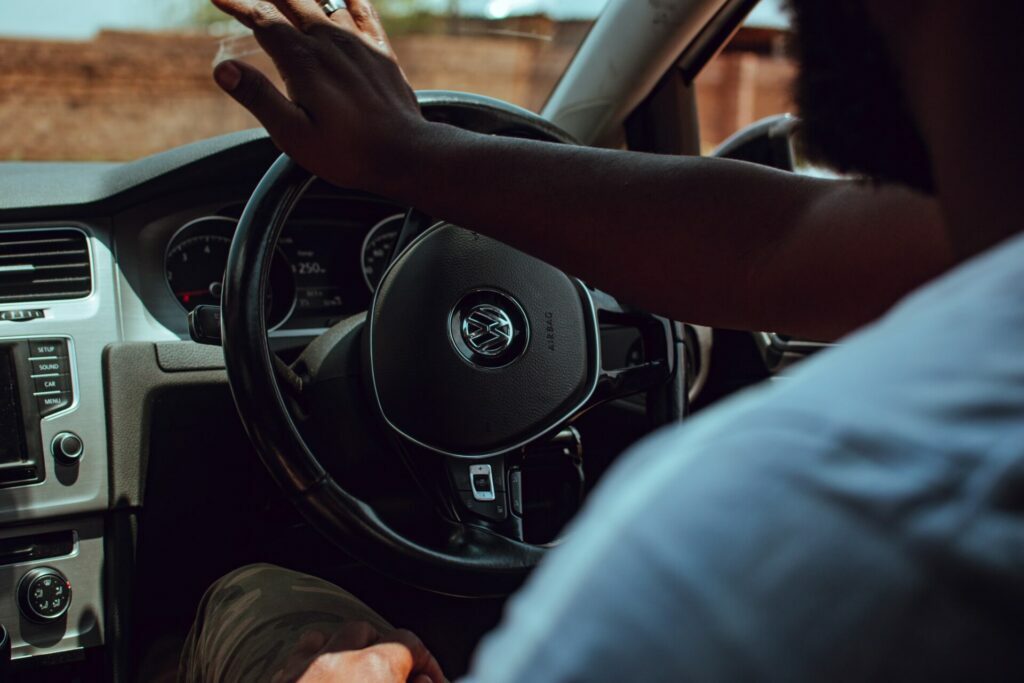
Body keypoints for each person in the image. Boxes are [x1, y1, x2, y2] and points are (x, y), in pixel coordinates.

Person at [181, 0, 1024, 680]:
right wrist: (412, 152)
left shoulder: (754, 537)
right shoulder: (979, 256)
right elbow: (775, 240)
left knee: (255, 605)